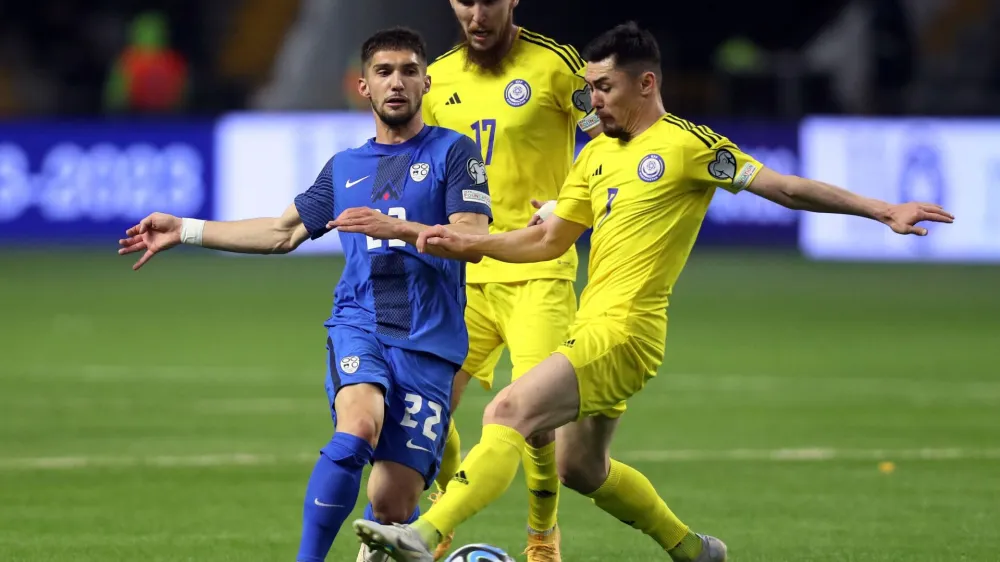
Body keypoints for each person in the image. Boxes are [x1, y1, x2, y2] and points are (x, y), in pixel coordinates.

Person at [349, 21, 955, 562]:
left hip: (628, 332)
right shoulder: (593, 158)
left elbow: (787, 189)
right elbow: (545, 242)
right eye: (589, 90)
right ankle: (692, 549)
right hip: (593, 327)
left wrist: (882, 209)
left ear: (645, 84)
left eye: (604, 90)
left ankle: (424, 537)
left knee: (508, 410)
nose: (593, 103)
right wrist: (458, 242)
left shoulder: (689, 147)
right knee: (580, 467)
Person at [116, 27, 494, 562]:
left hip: (430, 341)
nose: (397, 83)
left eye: (408, 71)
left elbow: (474, 241)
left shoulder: (455, 152)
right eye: (383, 72)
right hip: (361, 322)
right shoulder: (344, 168)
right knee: (357, 427)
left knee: (390, 502)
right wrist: (186, 230)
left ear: (426, 82)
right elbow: (281, 232)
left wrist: (396, 226)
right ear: (362, 87)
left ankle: (382, 546)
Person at [415, 1, 602, 558]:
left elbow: (617, 136)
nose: (476, 13)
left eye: (488, 1)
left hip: (537, 273)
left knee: (535, 422)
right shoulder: (438, 77)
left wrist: (573, 204)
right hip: (460, 275)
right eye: (465, 1)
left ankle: (542, 535)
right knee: (427, 405)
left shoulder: (557, 66)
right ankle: (443, 513)